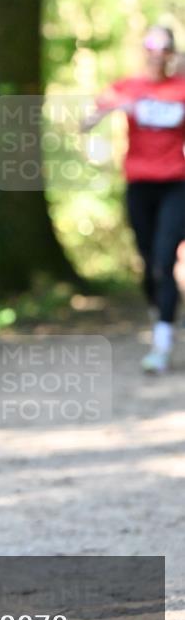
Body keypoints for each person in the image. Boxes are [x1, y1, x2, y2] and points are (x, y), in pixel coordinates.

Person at [81, 25, 185, 374]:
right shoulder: (128, 87)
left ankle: (162, 343)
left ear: (171, 55)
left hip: (176, 185)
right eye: (150, 49)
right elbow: (84, 122)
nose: (156, 56)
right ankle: (161, 315)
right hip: (139, 186)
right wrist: (108, 109)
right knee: (147, 264)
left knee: (162, 260)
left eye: (163, 50)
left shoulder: (181, 89)